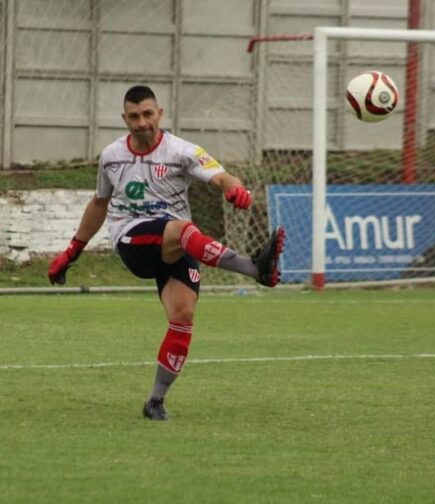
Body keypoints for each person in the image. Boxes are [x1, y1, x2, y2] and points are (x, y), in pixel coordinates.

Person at [48, 85, 284, 421]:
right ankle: (252, 267)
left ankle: (155, 401)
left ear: (160, 113)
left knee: (183, 316)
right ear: (124, 119)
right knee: (182, 230)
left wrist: (234, 189)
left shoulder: (181, 151)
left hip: (177, 244)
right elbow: (100, 204)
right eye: (134, 116)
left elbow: (220, 175)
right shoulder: (112, 157)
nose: (142, 122)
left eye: (147, 114)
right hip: (133, 239)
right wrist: (72, 251)